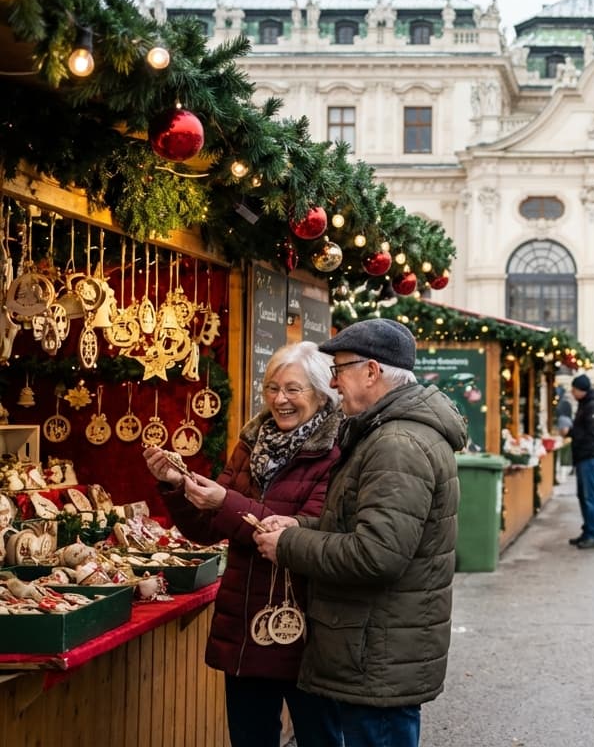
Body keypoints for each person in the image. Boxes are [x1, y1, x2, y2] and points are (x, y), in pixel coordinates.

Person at [253, 318, 468, 747]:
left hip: (378, 652)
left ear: (371, 372)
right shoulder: (389, 433)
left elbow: (377, 555)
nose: (333, 385)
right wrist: (300, 526)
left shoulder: (397, 443)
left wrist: (290, 544)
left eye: (340, 370)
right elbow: (362, 528)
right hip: (376, 647)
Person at [143, 341, 343, 747]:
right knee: (250, 737)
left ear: (321, 394)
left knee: (320, 736)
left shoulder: (335, 452)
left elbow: (307, 527)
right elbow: (205, 530)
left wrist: (225, 502)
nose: (280, 400)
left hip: (305, 625)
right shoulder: (252, 442)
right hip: (245, 624)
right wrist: (177, 486)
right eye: (272, 388)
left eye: (293, 389)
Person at [568, 374, 594, 549]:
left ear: (581, 389)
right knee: (584, 495)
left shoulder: (592, 407)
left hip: (591, 456)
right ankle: (588, 531)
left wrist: (573, 433)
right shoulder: (585, 405)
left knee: (590, 496)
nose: (571, 392)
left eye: (574, 389)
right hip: (585, 456)